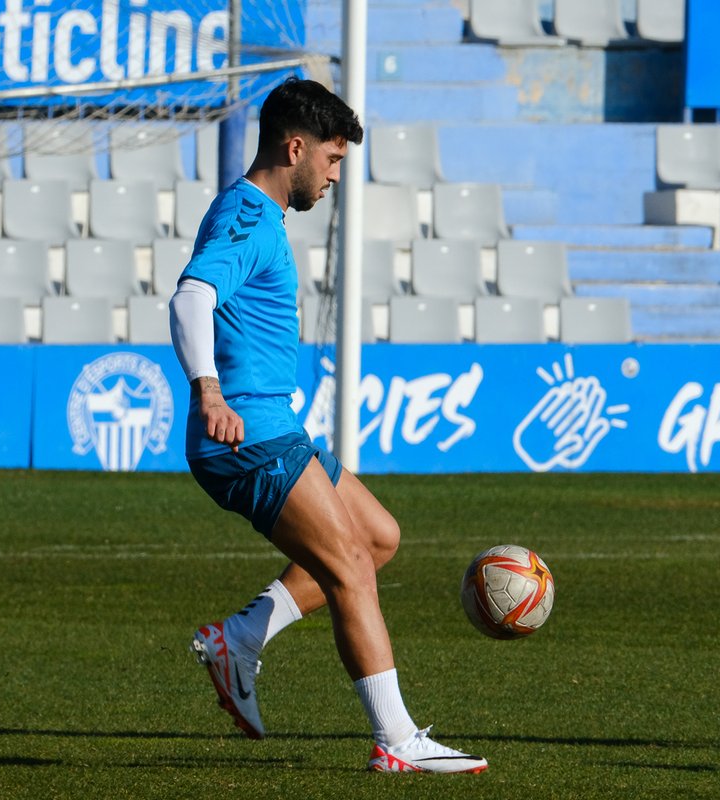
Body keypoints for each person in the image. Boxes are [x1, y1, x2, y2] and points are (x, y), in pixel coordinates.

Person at [168, 77, 487, 774]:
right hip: (245, 435)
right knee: (348, 568)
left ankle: (242, 638)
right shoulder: (248, 220)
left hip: (274, 427)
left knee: (376, 537)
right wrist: (209, 393)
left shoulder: (257, 216)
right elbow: (190, 299)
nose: (336, 176)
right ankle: (398, 740)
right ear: (295, 147)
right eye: (333, 160)